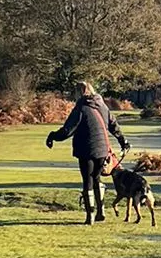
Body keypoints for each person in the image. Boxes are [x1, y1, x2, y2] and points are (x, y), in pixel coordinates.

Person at [46, 81, 128, 224]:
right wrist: (123, 141)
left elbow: (68, 130)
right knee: (96, 178)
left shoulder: (81, 107)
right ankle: (101, 210)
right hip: (103, 150)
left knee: (88, 181)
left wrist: (52, 136)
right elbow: (113, 125)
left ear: (79, 93)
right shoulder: (102, 105)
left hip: (86, 149)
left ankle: (90, 216)